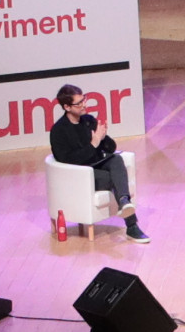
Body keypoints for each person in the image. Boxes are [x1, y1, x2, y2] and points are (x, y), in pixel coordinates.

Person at [46, 82, 145, 243]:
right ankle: (132, 225)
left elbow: (111, 148)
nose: (84, 105)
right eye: (79, 103)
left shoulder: (88, 120)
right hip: (81, 173)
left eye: (84, 99)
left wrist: (103, 137)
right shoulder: (59, 131)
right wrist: (94, 143)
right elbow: (69, 160)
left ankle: (124, 202)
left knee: (116, 160)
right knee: (116, 178)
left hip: (97, 164)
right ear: (67, 107)